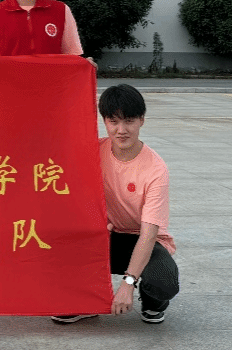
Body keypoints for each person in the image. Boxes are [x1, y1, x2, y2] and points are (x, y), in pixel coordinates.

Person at [53, 83, 180, 325]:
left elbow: (148, 234)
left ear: (141, 120)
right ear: (104, 121)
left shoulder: (155, 170)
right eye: (113, 121)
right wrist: (76, 71)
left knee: (163, 282)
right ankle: (85, 301)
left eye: (129, 121)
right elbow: (56, 134)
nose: (121, 130)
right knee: (56, 250)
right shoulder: (93, 151)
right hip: (105, 236)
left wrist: (128, 283)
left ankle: (152, 302)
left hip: (142, 238)